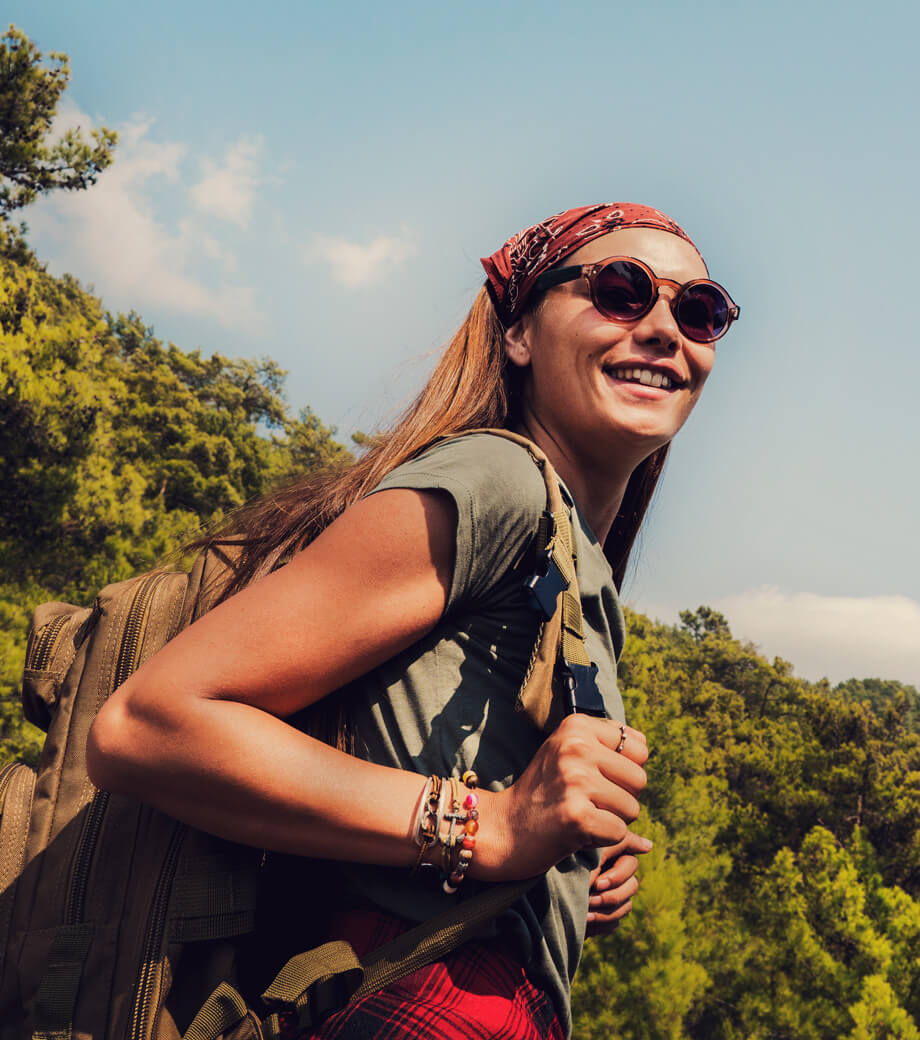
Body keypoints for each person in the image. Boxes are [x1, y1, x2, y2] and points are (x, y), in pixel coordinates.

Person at [86, 202, 739, 1039]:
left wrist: (561, 876)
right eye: (620, 290)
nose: (663, 329)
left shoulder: (570, 553)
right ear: (519, 334)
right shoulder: (499, 478)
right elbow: (148, 726)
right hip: (422, 998)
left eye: (700, 311)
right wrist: (490, 825)